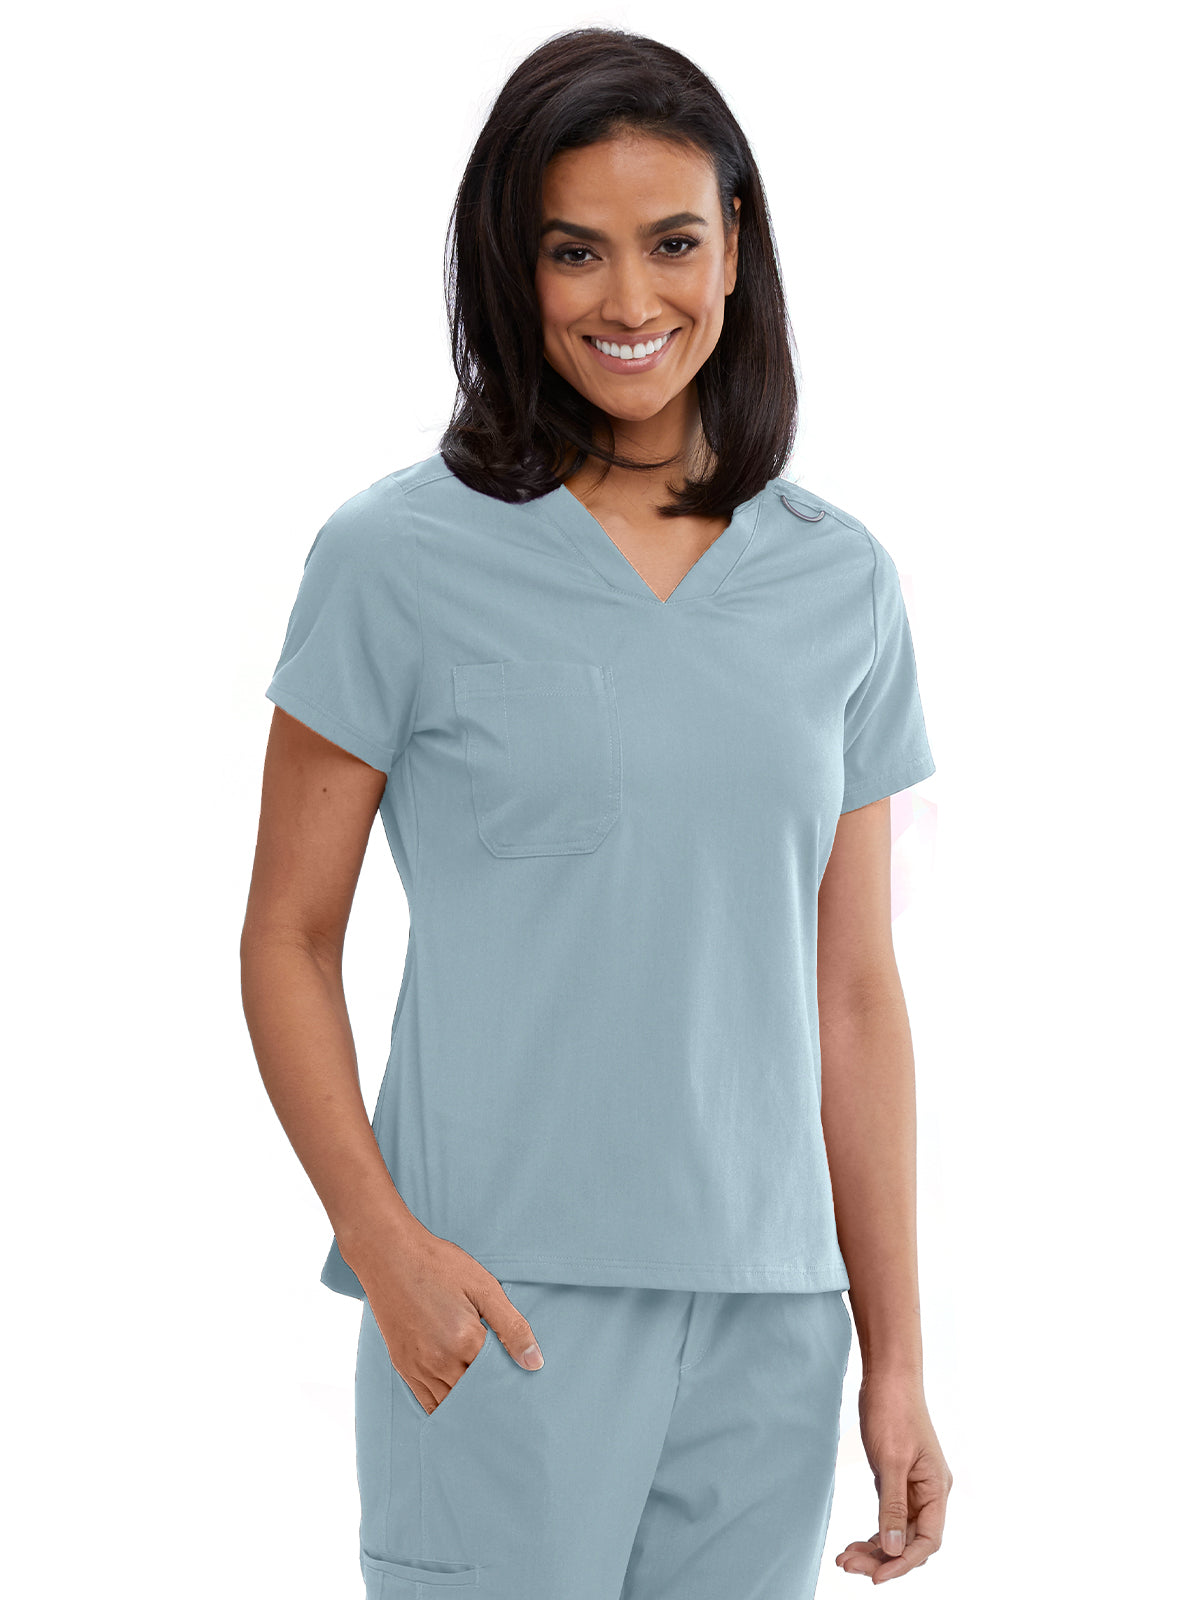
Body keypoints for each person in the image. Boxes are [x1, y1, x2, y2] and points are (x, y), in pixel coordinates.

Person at [241, 24, 953, 1599]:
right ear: (513, 266)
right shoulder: (394, 558)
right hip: (498, 1304)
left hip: (773, 1319)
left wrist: (894, 1356)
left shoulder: (841, 581)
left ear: (736, 249)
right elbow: (288, 936)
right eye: (575, 251)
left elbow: (852, 991)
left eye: (672, 242)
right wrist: (386, 1248)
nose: (631, 300)